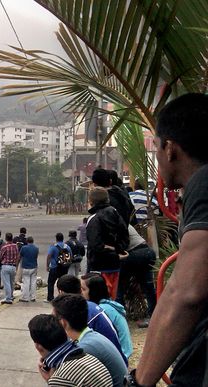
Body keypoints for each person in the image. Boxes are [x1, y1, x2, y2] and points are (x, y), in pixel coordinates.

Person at [132, 93, 208, 386]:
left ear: (170, 148)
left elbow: (185, 294)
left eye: (157, 148)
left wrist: (141, 380)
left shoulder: (203, 182)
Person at [51, 294, 127, 387]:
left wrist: (50, 377)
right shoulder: (91, 337)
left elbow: (66, 381)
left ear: (63, 323)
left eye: (53, 319)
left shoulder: (83, 349)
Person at [56, 275, 126, 364]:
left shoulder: (86, 310)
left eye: (83, 289)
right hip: (115, 358)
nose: (81, 292)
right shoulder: (90, 307)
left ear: (61, 292)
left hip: (113, 363)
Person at [28, 314, 113, 387]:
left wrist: (52, 381)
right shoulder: (89, 358)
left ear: (38, 346)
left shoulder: (61, 377)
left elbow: (65, 380)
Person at [85, 187, 129, 300]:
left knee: (98, 299)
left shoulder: (94, 219)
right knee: (111, 298)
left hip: (98, 267)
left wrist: (108, 249)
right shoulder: (115, 214)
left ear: (91, 201)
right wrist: (116, 250)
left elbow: (95, 245)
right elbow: (125, 237)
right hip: (115, 265)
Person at [82, 273, 133, 360]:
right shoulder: (105, 305)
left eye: (83, 289)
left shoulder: (101, 310)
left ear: (93, 291)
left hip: (119, 355)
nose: (80, 293)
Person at [115, 225, 157, 328]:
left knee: (119, 287)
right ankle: (154, 316)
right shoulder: (125, 223)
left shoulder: (114, 223)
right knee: (148, 288)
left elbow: (120, 246)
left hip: (133, 254)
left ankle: (118, 319)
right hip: (147, 252)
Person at [45, 233, 72, 302]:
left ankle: (50, 298)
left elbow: (49, 256)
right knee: (63, 283)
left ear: (56, 239)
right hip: (64, 267)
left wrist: (47, 266)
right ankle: (63, 297)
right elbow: (70, 256)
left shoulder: (53, 247)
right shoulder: (67, 247)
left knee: (51, 282)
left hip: (55, 267)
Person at [0, 232, 20, 304]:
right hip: (13, 266)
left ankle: (8, 298)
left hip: (6, 265)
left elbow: (0, 257)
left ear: (6, 238)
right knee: (11, 282)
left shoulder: (4, 247)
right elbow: (17, 256)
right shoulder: (15, 246)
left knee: (6, 283)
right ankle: (11, 295)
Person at [19, 236, 39, 302]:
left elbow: (20, 256)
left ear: (27, 241)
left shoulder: (24, 248)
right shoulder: (36, 248)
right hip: (34, 266)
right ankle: (33, 297)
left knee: (26, 282)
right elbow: (36, 256)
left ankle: (25, 297)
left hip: (25, 267)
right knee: (33, 282)